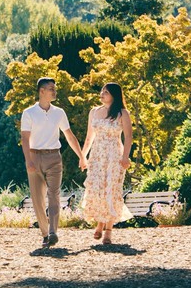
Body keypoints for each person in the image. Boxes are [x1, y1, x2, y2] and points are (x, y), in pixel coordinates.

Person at [20, 77, 87, 248]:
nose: (55, 91)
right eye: (51, 89)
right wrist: (28, 160)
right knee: (38, 199)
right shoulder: (29, 113)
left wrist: (81, 156)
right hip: (34, 156)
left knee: (54, 194)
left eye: (54, 89)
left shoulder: (59, 113)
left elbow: (69, 136)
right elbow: (25, 139)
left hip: (54, 157)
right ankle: (45, 233)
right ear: (42, 91)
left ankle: (53, 232)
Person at [82, 82, 133, 246]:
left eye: (106, 92)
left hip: (114, 155)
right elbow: (89, 137)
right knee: (98, 189)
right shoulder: (94, 112)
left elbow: (129, 137)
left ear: (114, 95)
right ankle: (99, 223)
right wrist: (83, 156)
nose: (102, 94)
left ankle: (108, 231)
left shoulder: (122, 113)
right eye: (102, 91)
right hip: (97, 156)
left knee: (111, 189)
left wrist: (125, 157)